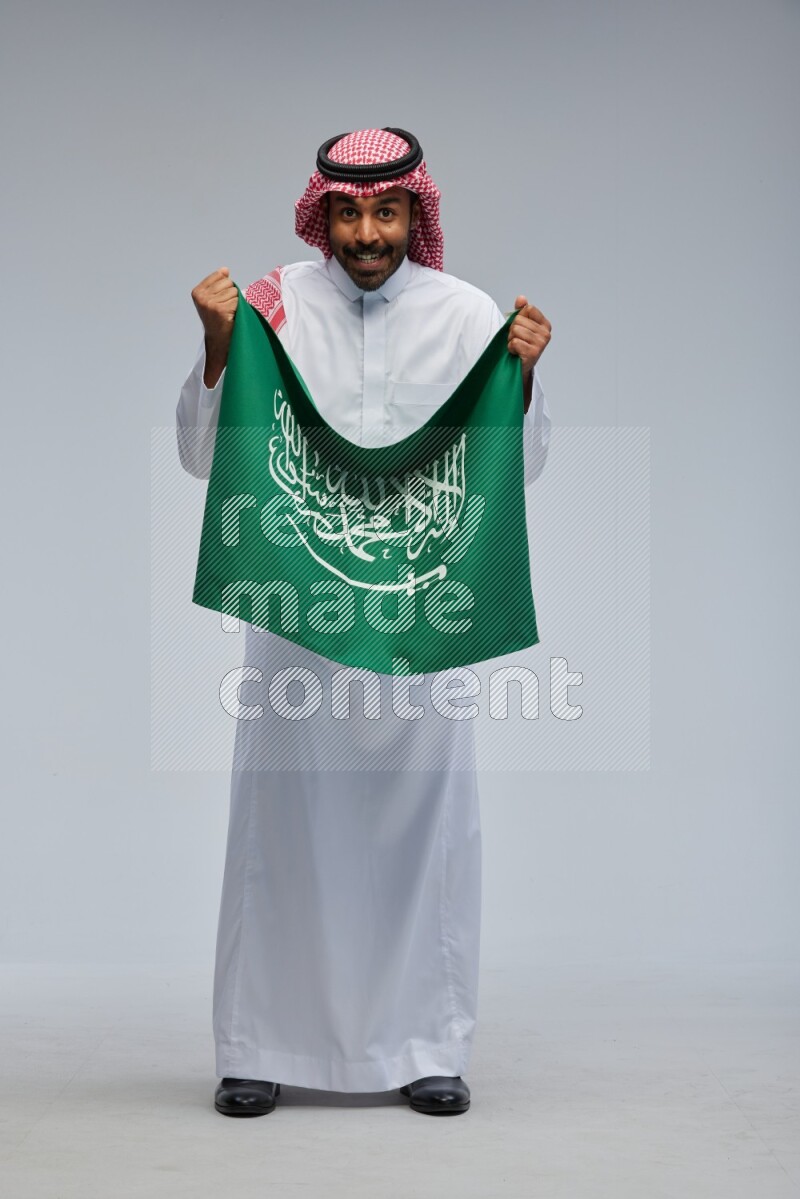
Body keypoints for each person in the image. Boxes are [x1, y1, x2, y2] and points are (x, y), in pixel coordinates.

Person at [176, 128, 552, 1117]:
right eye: (348, 211)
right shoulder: (272, 306)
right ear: (322, 213)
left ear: (414, 213)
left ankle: (426, 1043)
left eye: (386, 211)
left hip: (426, 618)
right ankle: (257, 1040)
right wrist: (220, 346)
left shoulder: (467, 314)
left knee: (422, 830)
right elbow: (198, 460)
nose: (366, 232)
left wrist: (520, 375)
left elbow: (522, 469)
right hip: (298, 618)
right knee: (280, 824)